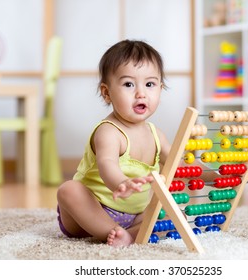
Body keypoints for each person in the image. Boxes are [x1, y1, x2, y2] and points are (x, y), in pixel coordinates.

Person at [56, 40, 171, 247]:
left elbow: (180, 166)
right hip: (90, 212)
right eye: (129, 84)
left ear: (160, 90)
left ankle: (128, 234)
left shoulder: (157, 135)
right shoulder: (108, 131)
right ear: (107, 93)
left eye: (150, 84)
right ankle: (111, 231)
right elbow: (107, 164)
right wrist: (121, 183)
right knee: (69, 190)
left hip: (133, 215)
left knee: (165, 211)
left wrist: (218, 175)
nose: (141, 93)